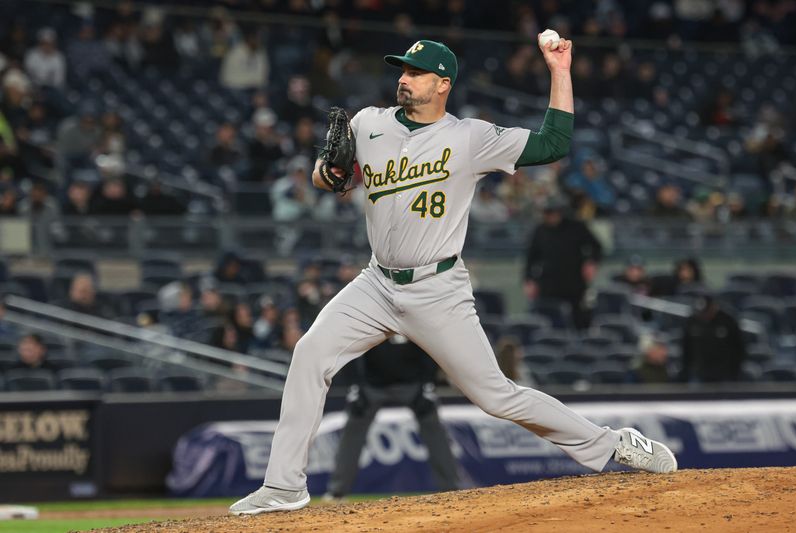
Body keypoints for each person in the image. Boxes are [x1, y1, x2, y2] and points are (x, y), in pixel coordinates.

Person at [230, 37, 677, 516]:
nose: (404, 77)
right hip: (376, 283)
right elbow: (330, 173)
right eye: (403, 69)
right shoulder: (368, 123)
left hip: (437, 288)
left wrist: (559, 70)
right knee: (309, 353)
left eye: (417, 72)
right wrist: (327, 173)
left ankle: (611, 444)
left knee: (496, 395)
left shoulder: (470, 137)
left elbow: (554, 143)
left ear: (443, 84)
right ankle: (283, 487)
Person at [324, 336, 459, 500]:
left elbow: (430, 343)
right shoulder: (371, 313)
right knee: (353, 428)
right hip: (372, 384)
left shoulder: (414, 313)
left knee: (434, 427)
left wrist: (427, 382)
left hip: (413, 383)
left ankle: (451, 489)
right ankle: (337, 492)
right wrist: (357, 384)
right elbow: (353, 346)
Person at [523, 195, 603, 329]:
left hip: (574, 283)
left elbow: (596, 246)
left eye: (552, 212)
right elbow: (531, 258)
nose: (549, 216)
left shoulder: (576, 227)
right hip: (549, 285)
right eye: (546, 213)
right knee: (548, 320)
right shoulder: (540, 230)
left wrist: (591, 262)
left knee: (578, 320)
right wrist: (529, 280)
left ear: (560, 212)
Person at [679, 294, 746, 383]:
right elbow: (686, 348)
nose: (704, 315)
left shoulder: (727, 321)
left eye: (707, 311)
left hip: (724, 374)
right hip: (699, 373)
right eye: (702, 312)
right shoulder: (692, 322)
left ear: (714, 307)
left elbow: (738, 348)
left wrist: (734, 372)